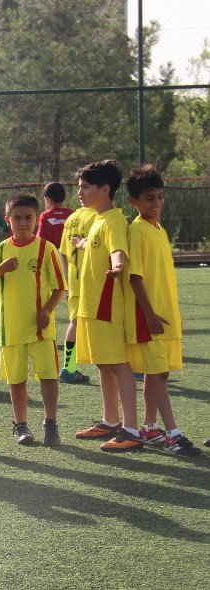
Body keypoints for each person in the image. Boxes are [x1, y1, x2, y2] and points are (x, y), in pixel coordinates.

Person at [124, 165, 201, 455]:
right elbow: (134, 277)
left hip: (166, 316)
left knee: (161, 374)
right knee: (156, 373)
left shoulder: (159, 228)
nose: (156, 204)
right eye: (149, 199)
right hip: (149, 318)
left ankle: (149, 426)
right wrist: (149, 314)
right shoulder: (137, 230)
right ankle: (173, 433)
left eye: (159, 197)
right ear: (133, 201)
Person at [73, 160, 143, 452]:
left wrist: (117, 266)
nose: (80, 193)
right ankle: (111, 421)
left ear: (105, 189)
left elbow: (116, 250)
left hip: (106, 307)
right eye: (79, 187)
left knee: (118, 364)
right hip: (90, 307)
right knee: (103, 363)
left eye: (85, 187)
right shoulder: (97, 218)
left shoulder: (115, 220)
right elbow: (95, 243)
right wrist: (81, 244)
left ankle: (131, 429)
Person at [0, 193, 66, 446]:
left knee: (48, 376)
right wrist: (0, 269)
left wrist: (46, 310)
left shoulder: (46, 249)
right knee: (16, 379)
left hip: (40, 330)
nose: (23, 223)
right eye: (17, 218)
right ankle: (22, 425)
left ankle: (51, 423)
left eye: (28, 218)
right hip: (10, 329)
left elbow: (60, 287)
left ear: (37, 220)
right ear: (8, 220)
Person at [58, 204, 97, 384]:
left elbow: (63, 253)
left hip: (74, 281)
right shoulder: (101, 216)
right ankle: (127, 365)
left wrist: (67, 281)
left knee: (74, 323)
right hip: (96, 281)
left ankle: (69, 368)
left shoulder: (72, 218)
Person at [36, 182, 73, 249]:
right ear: (65, 197)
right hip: (70, 253)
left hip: (52, 254)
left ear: (49, 200)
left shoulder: (45, 216)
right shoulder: (72, 214)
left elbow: (40, 239)